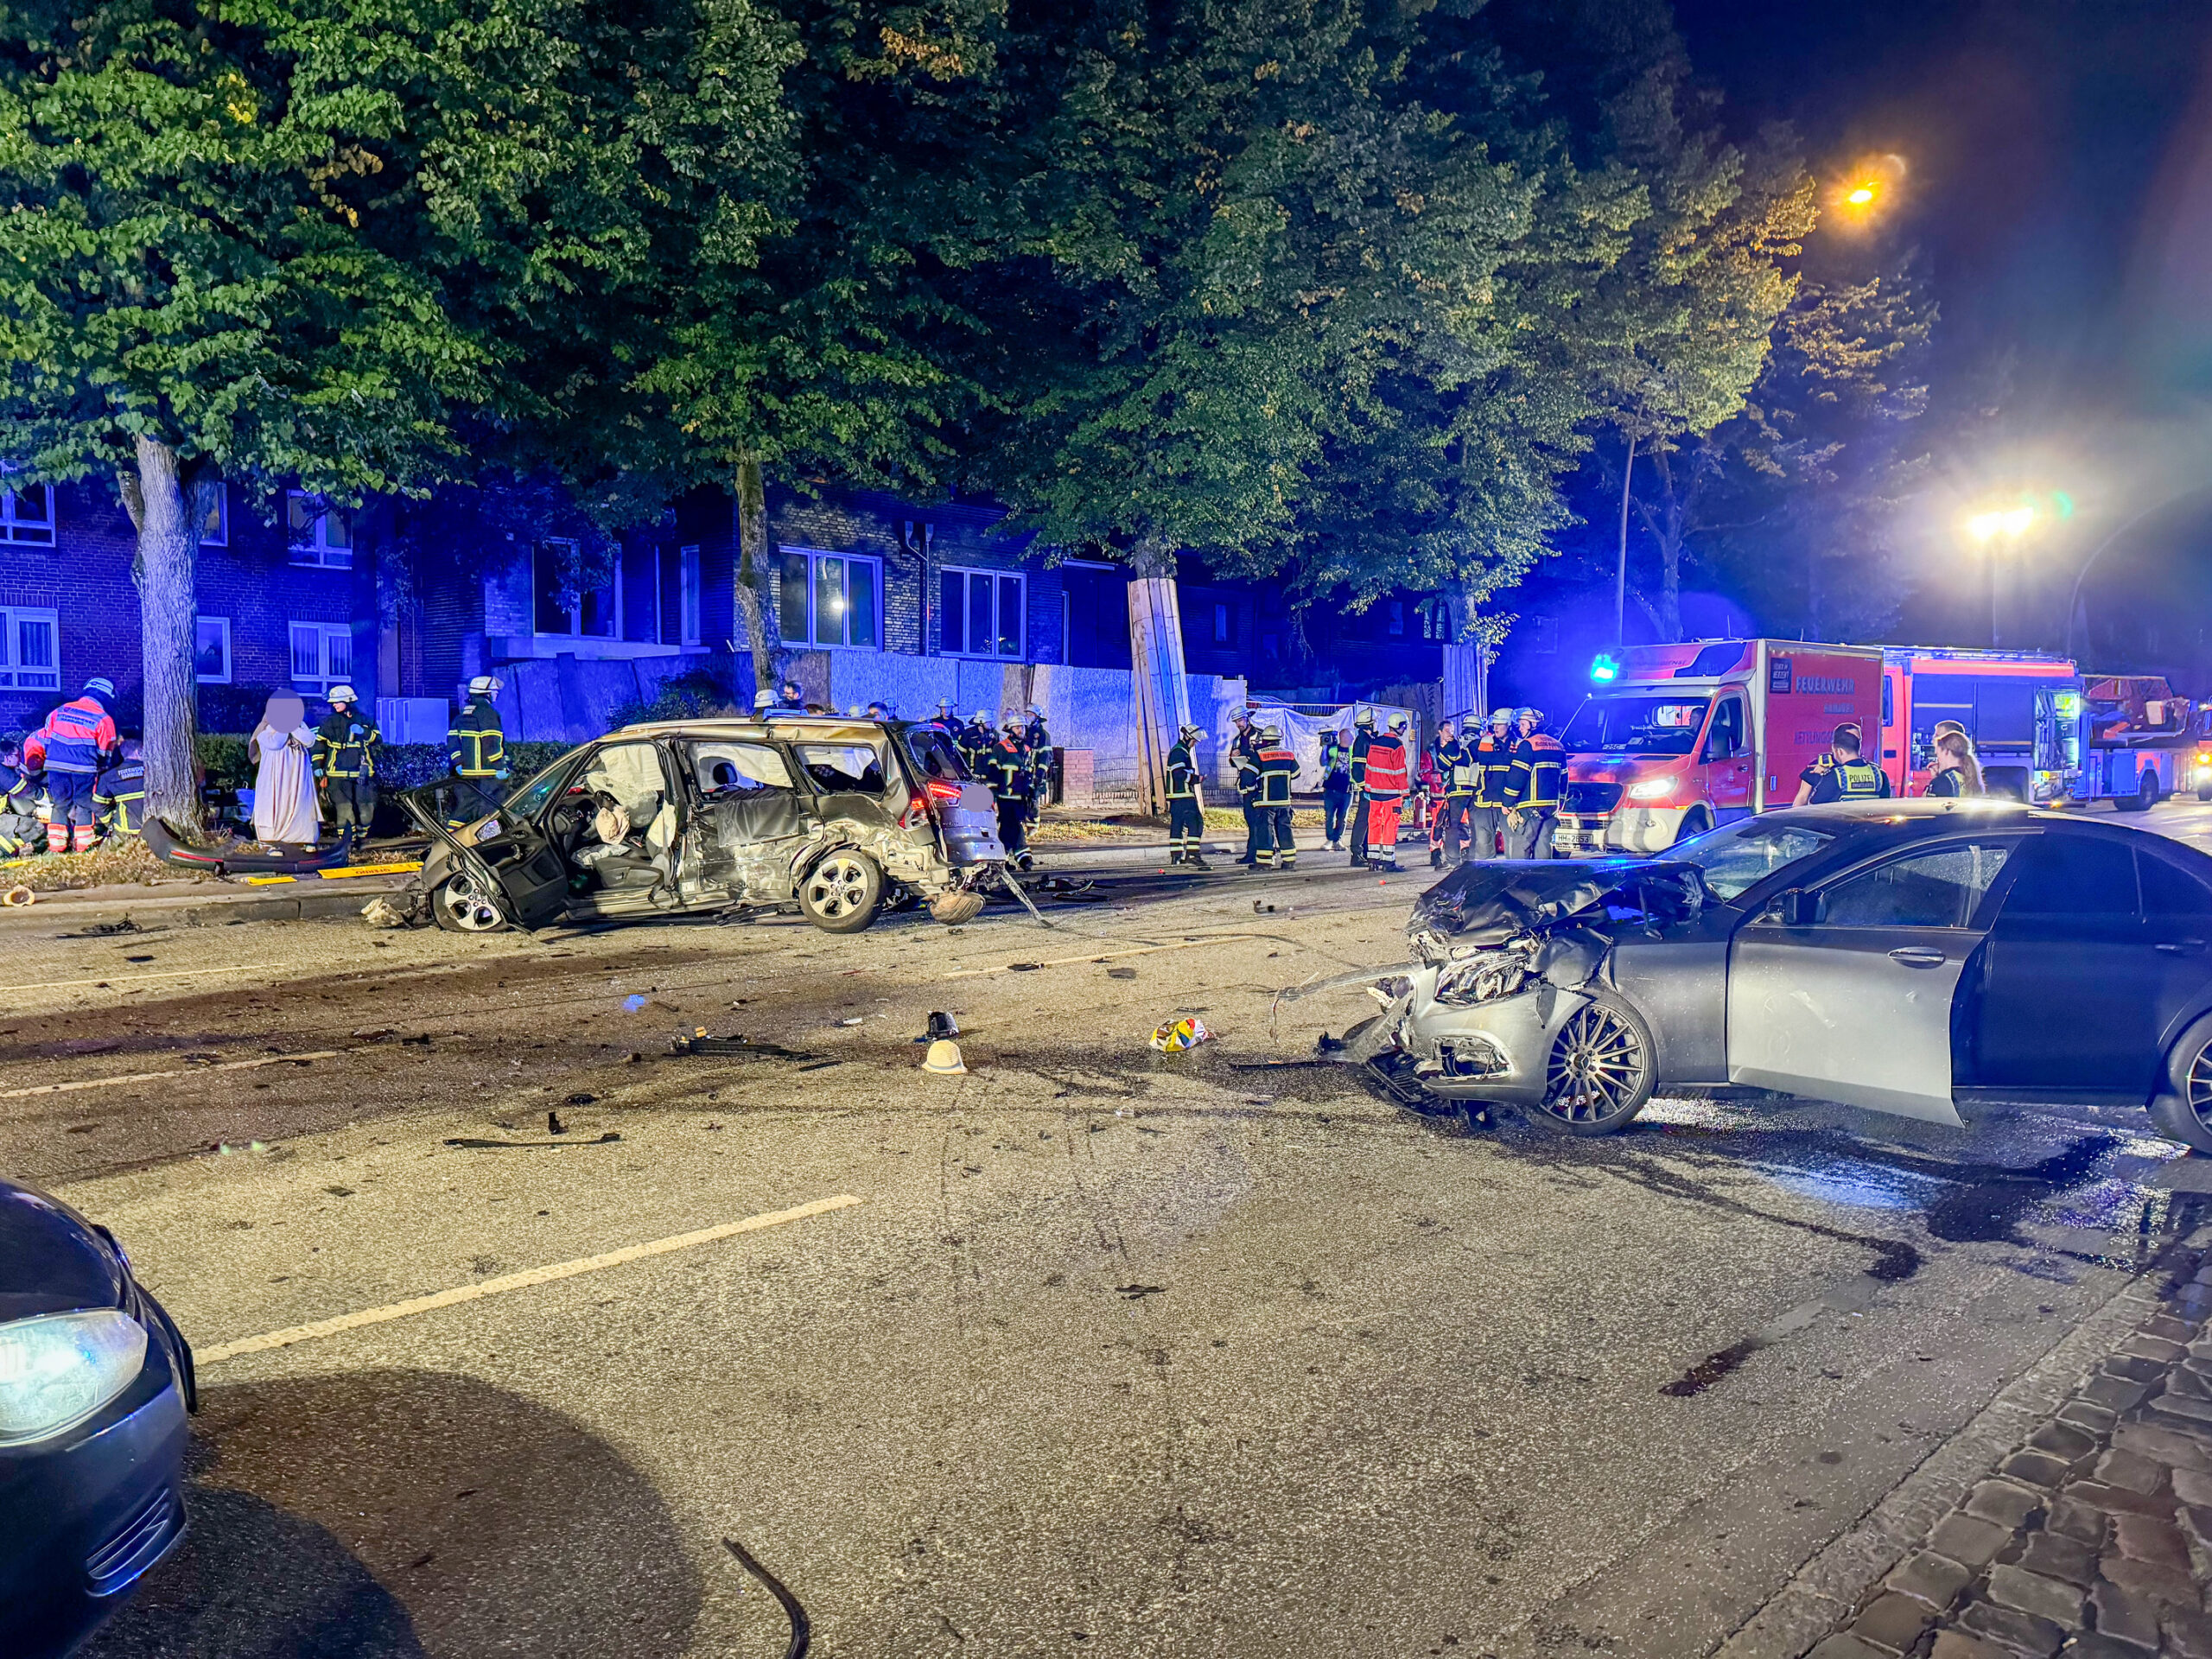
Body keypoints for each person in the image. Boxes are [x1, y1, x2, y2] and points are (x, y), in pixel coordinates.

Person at [24, 676, 119, 854]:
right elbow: (106, 754)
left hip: (55, 768)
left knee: (60, 805)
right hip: (84, 770)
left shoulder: (59, 711)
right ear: (107, 697)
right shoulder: (104, 719)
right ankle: (84, 847)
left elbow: (45, 740)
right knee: (84, 805)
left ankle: (57, 847)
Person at [250, 691, 321, 849]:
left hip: (297, 775)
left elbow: (309, 740)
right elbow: (276, 743)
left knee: (300, 803)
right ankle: (273, 842)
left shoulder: (300, 726)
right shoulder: (265, 731)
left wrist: (294, 727)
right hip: (275, 776)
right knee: (275, 805)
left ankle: (304, 838)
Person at [312, 684, 381, 842]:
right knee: (344, 808)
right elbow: (319, 746)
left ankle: (362, 838)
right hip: (337, 773)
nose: (333, 704)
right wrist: (317, 766)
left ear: (348, 701)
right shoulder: (329, 723)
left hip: (362, 772)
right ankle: (348, 842)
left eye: (337, 701)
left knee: (366, 809)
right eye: (332, 702)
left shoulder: (364, 720)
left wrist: (363, 732)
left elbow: (378, 739)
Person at [1502, 707, 1566, 859]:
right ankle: (1541, 881)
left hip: (1529, 807)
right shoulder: (1558, 746)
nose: (1521, 729)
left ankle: (1518, 881)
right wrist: (1561, 802)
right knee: (1543, 845)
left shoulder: (1528, 745)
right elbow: (1564, 778)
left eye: (1523, 725)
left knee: (1520, 846)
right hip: (1551, 807)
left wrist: (1507, 802)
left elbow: (1517, 777)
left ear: (1533, 725)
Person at [447, 674, 509, 828]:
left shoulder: (463, 715)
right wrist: (500, 767)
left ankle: (449, 840)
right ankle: (490, 844)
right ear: (486, 693)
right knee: (492, 812)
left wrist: (458, 763)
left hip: (465, 775)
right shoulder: (488, 713)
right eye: (494, 691)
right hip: (487, 775)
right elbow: (492, 743)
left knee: (463, 810)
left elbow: (452, 742)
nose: (496, 694)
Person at [1351, 712, 1410, 871]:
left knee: (1374, 824)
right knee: (1390, 825)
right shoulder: (1397, 746)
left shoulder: (1375, 743)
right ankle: (1388, 862)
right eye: (1404, 726)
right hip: (1391, 794)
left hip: (1374, 794)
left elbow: (1369, 768)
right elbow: (1400, 773)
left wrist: (1368, 788)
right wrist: (1406, 795)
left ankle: (1373, 860)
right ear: (1400, 726)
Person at [983, 715, 1034, 868]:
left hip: (1021, 797)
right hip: (1005, 797)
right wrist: (992, 799)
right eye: (1018, 727)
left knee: (1007, 828)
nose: (1021, 730)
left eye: (1023, 727)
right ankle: (1024, 857)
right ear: (1010, 730)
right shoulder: (1001, 748)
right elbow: (993, 774)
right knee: (1013, 825)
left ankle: (1000, 859)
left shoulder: (1026, 749)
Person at [1469, 707, 1516, 861]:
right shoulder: (1483, 743)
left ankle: (1512, 880)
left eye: (1500, 724)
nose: (1495, 727)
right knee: (1483, 846)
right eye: (1494, 724)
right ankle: (1485, 880)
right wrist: (1446, 745)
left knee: (1513, 845)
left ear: (1510, 725)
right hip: (1484, 803)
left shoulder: (1520, 745)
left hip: (1508, 805)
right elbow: (1460, 759)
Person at [1805, 724, 1891, 804]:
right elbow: (1885, 805)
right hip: (1871, 820)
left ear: (1839, 751)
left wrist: (1822, 778)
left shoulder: (1836, 776)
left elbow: (1815, 805)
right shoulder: (1879, 774)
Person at [1433, 720, 1478, 868]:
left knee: (1452, 826)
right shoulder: (1484, 742)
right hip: (1477, 791)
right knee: (1476, 826)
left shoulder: (1458, 741)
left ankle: (1452, 860)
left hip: (1458, 790)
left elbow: (1444, 765)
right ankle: (1473, 859)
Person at [1255, 721, 1299, 869]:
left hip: (1266, 802)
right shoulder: (1289, 755)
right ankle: (1289, 860)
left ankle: (1265, 862)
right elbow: (1296, 773)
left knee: (1265, 830)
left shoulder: (1260, 755)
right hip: (1284, 801)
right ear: (1279, 739)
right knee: (1285, 829)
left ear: (1264, 740)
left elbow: (1248, 777)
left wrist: (1248, 788)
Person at [1166, 722, 1209, 868]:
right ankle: (1192, 854)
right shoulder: (1180, 753)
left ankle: (1176, 856)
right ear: (1187, 737)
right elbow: (1179, 774)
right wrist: (1197, 779)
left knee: (1177, 825)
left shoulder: (1180, 751)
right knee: (1196, 822)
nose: (1195, 743)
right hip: (1183, 794)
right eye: (1195, 740)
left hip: (1176, 796)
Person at [1791, 723, 1864, 806]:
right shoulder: (1818, 766)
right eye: (1849, 738)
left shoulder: (1864, 767)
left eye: (1858, 740)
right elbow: (1802, 798)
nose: (1852, 743)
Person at [0, 733, 44, 856]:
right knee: (35, 828)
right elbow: (24, 789)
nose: (20, 758)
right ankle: (12, 854)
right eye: (17, 756)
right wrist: (45, 796)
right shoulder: (3, 773)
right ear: (7, 758)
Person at [92, 739, 147, 838]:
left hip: (126, 829)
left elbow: (98, 805)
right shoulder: (154, 771)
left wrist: (110, 822)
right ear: (138, 752)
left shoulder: (109, 777)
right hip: (156, 828)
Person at [1228, 709, 1262, 865]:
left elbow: (1262, 755)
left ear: (1247, 718)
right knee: (1251, 820)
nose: (1238, 724)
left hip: (1260, 785)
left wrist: (1244, 752)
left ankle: (1261, 853)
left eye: (1240, 720)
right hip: (1246, 785)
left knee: (1260, 821)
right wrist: (1233, 757)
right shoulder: (1236, 740)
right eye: (1236, 722)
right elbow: (1232, 761)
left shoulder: (1260, 735)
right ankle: (1251, 854)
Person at [1319, 728, 1352, 850]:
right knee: (1329, 816)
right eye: (1351, 736)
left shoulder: (1353, 751)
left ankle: (1337, 840)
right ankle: (1330, 839)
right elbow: (1323, 762)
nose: (1352, 739)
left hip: (1347, 789)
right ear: (1344, 737)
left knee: (1342, 817)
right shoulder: (1333, 749)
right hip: (1331, 788)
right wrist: (1324, 747)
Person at [1925, 730, 1983, 797]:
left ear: (1946, 752)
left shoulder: (1942, 781)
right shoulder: (1969, 777)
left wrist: (1934, 783)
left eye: (1938, 755)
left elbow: (1928, 806)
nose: (1938, 760)